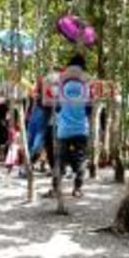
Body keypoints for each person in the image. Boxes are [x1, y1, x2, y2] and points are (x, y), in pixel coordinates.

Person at [51, 54, 92, 199]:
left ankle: (56, 188)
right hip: (81, 129)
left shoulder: (62, 85)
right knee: (81, 159)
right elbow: (89, 110)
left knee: (60, 160)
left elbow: (56, 107)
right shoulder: (86, 87)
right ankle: (77, 188)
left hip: (64, 129)